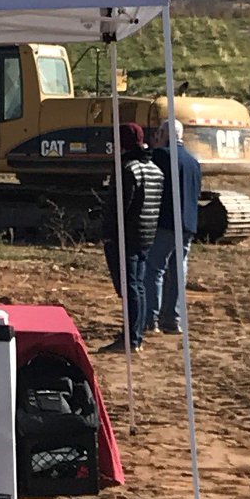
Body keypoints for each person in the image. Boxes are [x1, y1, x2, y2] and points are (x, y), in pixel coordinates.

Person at [105, 123, 165, 352]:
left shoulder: (127, 169)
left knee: (129, 287)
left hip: (126, 237)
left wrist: (109, 235)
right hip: (146, 236)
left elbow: (120, 208)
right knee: (138, 286)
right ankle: (136, 335)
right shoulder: (154, 169)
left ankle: (130, 339)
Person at [145, 120, 202, 335]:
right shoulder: (193, 162)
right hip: (187, 224)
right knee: (178, 270)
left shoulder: (160, 157)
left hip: (165, 222)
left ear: (163, 134)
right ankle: (173, 318)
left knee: (155, 269)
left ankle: (151, 317)